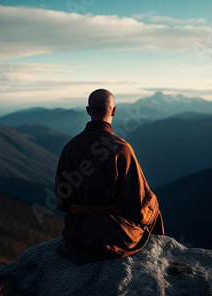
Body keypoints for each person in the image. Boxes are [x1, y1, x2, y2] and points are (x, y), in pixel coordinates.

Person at [55, 88, 164, 264]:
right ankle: (159, 256)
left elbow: (62, 201)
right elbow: (137, 204)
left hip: (76, 235)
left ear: (88, 111)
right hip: (113, 235)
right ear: (114, 111)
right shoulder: (121, 149)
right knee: (151, 201)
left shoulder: (70, 148)